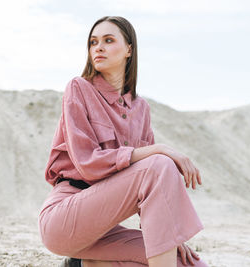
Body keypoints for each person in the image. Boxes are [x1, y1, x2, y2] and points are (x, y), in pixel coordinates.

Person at [38, 16, 208, 267]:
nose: (98, 47)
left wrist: (167, 236)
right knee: (159, 163)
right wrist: (159, 149)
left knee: (189, 263)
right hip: (66, 216)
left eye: (108, 40)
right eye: (93, 42)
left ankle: (81, 265)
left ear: (129, 49)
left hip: (104, 228)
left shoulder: (141, 109)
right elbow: (88, 163)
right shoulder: (79, 88)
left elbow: (151, 189)